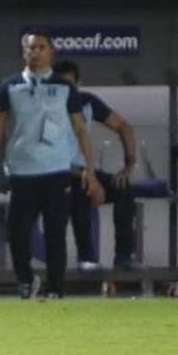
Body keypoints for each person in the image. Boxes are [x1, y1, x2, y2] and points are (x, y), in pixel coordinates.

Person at [0, 30, 103, 299]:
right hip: (22, 171)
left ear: (50, 52)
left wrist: (89, 167)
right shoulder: (10, 86)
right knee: (17, 232)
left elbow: (80, 128)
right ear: (24, 52)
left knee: (56, 232)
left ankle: (56, 288)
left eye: (41, 47)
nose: (35, 52)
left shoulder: (64, 87)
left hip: (56, 170)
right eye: (31, 48)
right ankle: (25, 279)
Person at [51, 60, 141, 271]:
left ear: (79, 84)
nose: (67, 91)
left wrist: (128, 166)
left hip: (85, 170)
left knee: (123, 188)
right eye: (61, 86)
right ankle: (86, 258)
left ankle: (124, 256)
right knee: (79, 191)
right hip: (59, 173)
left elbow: (124, 127)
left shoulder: (88, 102)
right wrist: (89, 178)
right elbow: (51, 158)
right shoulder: (49, 109)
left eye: (71, 85)